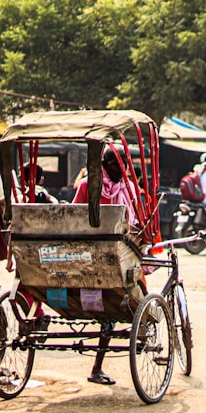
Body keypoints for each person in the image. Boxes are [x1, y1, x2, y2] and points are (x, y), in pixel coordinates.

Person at [73, 146, 142, 385]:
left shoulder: (128, 189)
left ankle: (141, 330)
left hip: (118, 254)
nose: (122, 171)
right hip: (90, 255)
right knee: (110, 311)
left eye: (125, 166)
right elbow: (74, 218)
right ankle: (97, 368)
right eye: (118, 165)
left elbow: (133, 222)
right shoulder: (87, 186)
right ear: (106, 164)